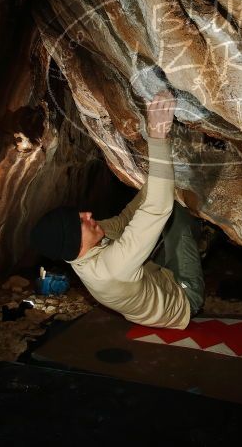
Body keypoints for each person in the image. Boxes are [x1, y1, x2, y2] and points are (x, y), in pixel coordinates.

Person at [30, 90, 204, 329]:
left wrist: (154, 183)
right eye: (80, 221)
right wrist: (158, 137)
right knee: (178, 215)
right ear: (75, 242)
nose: (88, 215)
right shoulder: (110, 270)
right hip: (181, 301)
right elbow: (157, 209)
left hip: (155, 280)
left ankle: (189, 243)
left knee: (163, 209)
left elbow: (125, 220)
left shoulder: (84, 248)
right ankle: (202, 238)